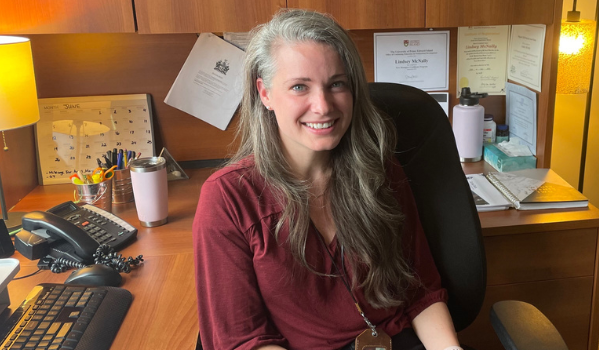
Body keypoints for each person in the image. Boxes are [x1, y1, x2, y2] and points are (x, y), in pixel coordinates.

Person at [193, 9, 462, 350]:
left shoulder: (380, 172)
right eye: (299, 87)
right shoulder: (228, 199)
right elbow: (244, 340)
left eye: (336, 83)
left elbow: (420, 291)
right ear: (265, 94)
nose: (322, 105)